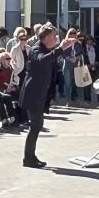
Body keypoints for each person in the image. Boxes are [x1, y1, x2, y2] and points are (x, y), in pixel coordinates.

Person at [18, 25, 72, 169]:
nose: (56, 38)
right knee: (35, 126)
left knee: (37, 126)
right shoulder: (36, 49)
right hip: (32, 94)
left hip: (40, 94)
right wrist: (61, 48)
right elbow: (42, 60)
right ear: (46, 37)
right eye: (54, 36)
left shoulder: (46, 49)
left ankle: (31, 156)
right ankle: (28, 159)